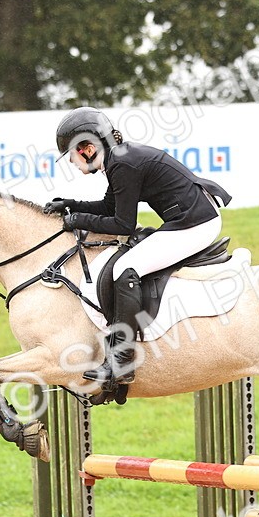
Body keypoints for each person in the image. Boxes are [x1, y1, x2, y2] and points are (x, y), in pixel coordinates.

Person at [44, 107, 232, 388]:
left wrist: (76, 220)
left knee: (125, 268)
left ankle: (121, 360)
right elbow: (110, 206)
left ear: (87, 148)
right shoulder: (119, 159)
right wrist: (71, 205)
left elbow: (123, 224)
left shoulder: (123, 164)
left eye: (71, 154)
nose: (71, 161)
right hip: (190, 218)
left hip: (195, 224)